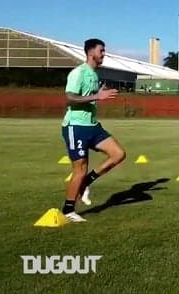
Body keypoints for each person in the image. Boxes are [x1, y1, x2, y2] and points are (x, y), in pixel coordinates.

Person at [60, 38, 126, 222]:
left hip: (92, 125)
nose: (104, 54)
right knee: (79, 170)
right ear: (91, 53)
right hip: (76, 126)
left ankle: (88, 181)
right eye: (101, 51)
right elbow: (69, 98)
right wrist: (97, 95)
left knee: (118, 154)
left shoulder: (94, 74)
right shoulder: (78, 73)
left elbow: (88, 96)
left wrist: (98, 92)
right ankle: (68, 210)